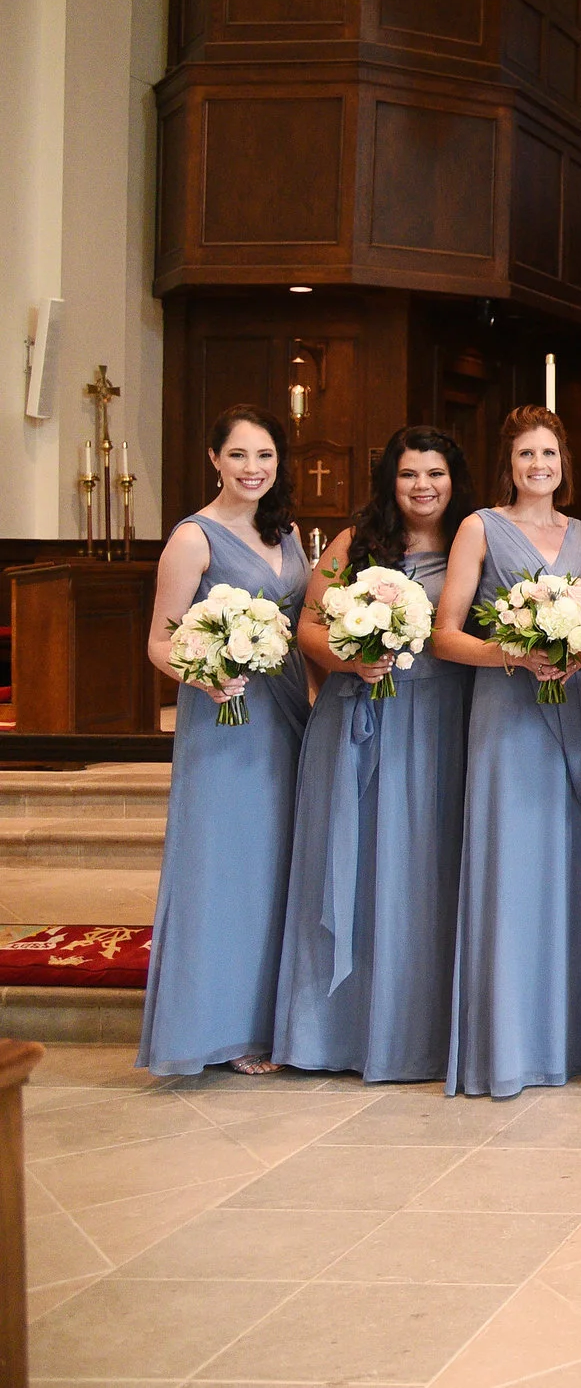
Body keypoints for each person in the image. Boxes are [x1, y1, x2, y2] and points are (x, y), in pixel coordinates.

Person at [271, 427, 475, 1081]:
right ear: (391, 480)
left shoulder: (474, 542)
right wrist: (349, 658)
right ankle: (340, 1034)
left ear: (454, 480)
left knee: (427, 869)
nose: (423, 486)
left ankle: (422, 1034)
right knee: (358, 861)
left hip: (442, 720)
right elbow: (307, 624)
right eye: (409, 473)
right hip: (361, 712)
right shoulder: (356, 543)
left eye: (435, 473)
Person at [432, 405, 581, 1098]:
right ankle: (505, 1044)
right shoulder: (480, 527)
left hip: (566, 711)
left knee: (561, 867)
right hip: (506, 718)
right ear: (508, 464)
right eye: (526, 455)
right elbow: (446, 633)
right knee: (508, 865)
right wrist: (513, 651)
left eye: (549, 454)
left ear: (564, 461)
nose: (539, 465)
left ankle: (563, 1040)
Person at [137, 405, 311, 1077]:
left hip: (285, 711)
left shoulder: (286, 533)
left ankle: (271, 1019)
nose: (252, 468)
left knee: (276, 865)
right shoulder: (193, 538)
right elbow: (159, 641)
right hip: (225, 717)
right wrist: (204, 674)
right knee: (226, 866)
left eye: (264, 455)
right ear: (214, 459)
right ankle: (221, 1027)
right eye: (238, 454)